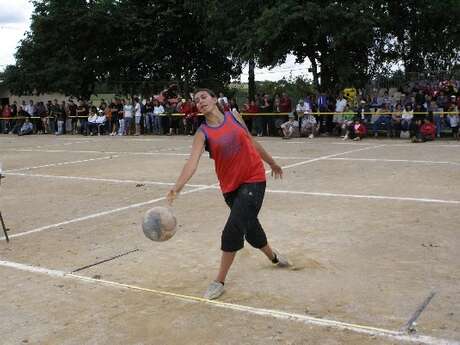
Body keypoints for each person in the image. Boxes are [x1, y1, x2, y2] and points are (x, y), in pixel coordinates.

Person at [166, 88, 290, 300]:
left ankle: (219, 281)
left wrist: (272, 163)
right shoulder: (202, 133)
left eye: (203, 97)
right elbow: (191, 163)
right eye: (196, 100)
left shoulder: (234, 116)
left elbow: (251, 141)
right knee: (249, 227)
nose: (200, 102)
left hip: (254, 179)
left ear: (214, 99)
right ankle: (274, 257)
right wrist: (176, 188)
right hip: (230, 188)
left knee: (233, 229)